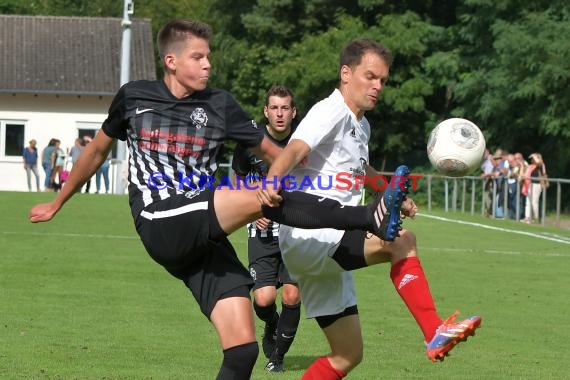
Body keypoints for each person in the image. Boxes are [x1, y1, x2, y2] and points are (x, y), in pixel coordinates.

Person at [29, 20, 405, 379]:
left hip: (204, 232)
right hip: (159, 217)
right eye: (198, 57)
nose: (208, 64)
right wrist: (57, 202)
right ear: (171, 61)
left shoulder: (220, 104)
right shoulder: (134, 97)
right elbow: (95, 152)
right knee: (263, 197)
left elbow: (275, 152)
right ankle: (368, 217)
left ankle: (368, 216)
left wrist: (308, 157)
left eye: (209, 56)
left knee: (242, 349)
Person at [259, 38, 482, 379]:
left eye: (383, 80)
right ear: (346, 74)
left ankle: (432, 333)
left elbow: (362, 172)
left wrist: (392, 192)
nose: (378, 86)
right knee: (401, 242)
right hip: (314, 234)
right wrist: (273, 179)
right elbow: (292, 150)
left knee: (347, 355)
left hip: (327, 249)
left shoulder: (360, 124)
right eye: (370, 77)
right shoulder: (329, 110)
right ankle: (434, 330)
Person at [232, 85, 301, 373]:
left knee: (291, 295)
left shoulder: (303, 143)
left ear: (293, 112)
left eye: (285, 108)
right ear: (266, 111)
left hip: (297, 233)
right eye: (274, 107)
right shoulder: (251, 143)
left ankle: (278, 358)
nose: (280, 113)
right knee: (263, 299)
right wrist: (252, 208)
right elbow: (236, 179)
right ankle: (271, 324)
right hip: (261, 233)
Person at [522, 152, 547, 224]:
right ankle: (527, 217)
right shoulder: (532, 166)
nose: (532, 160)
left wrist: (536, 157)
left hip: (537, 185)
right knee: (528, 201)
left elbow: (540, 164)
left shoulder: (541, 165)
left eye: (533, 159)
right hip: (531, 184)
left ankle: (535, 217)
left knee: (534, 202)